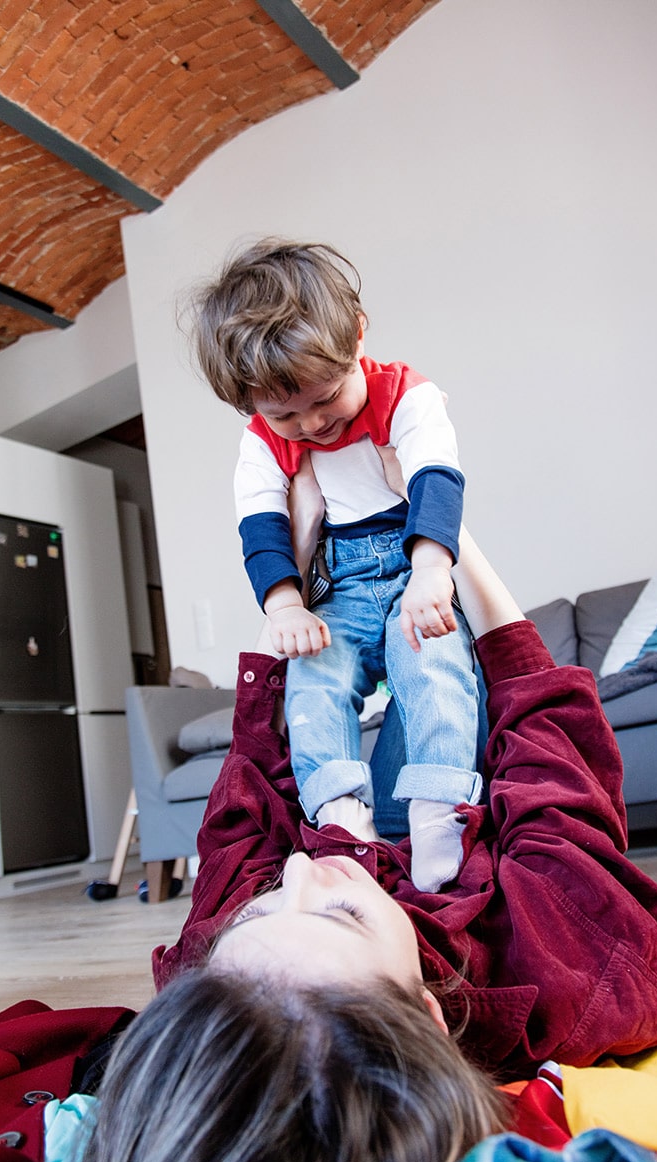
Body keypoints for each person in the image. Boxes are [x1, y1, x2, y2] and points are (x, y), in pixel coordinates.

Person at [74, 530, 657, 1162]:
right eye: (341, 914)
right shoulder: (570, 972)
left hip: (349, 803)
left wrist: (291, 569)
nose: (296, 873)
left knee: (327, 684)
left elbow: (252, 781)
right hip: (468, 800)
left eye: (261, 908)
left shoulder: (216, 967)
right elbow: (553, 746)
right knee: (439, 637)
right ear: (429, 1015)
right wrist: (451, 537)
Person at [189, 237, 483, 891]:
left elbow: (435, 476)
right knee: (313, 680)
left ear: (356, 336)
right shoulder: (262, 442)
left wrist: (433, 569)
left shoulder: (405, 393)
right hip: (340, 579)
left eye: (326, 399)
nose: (313, 424)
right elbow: (262, 525)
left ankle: (439, 809)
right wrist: (285, 603)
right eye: (284, 413)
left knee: (434, 668)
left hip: (409, 565)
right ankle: (340, 812)